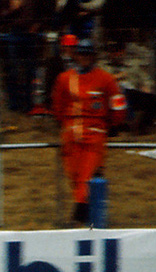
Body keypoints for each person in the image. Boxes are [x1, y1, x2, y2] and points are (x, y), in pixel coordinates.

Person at [51, 38, 126, 224]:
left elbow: (119, 106)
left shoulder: (106, 79)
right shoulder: (65, 79)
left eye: (88, 54)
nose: (84, 58)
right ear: (76, 56)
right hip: (71, 136)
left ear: (94, 56)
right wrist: (67, 125)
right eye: (81, 54)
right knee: (76, 178)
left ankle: (78, 218)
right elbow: (57, 106)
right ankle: (87, 217)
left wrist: (111, 125)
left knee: (87, 176)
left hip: (94, 135)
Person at [0, 0, 45, 114]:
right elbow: (2, 16)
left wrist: (38, 25)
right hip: (15, 33)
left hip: (30, 35)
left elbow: (43, 11)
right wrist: (12, 9)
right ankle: (14, 103)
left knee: (30, 71)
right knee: (13, 70)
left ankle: (28, 103)